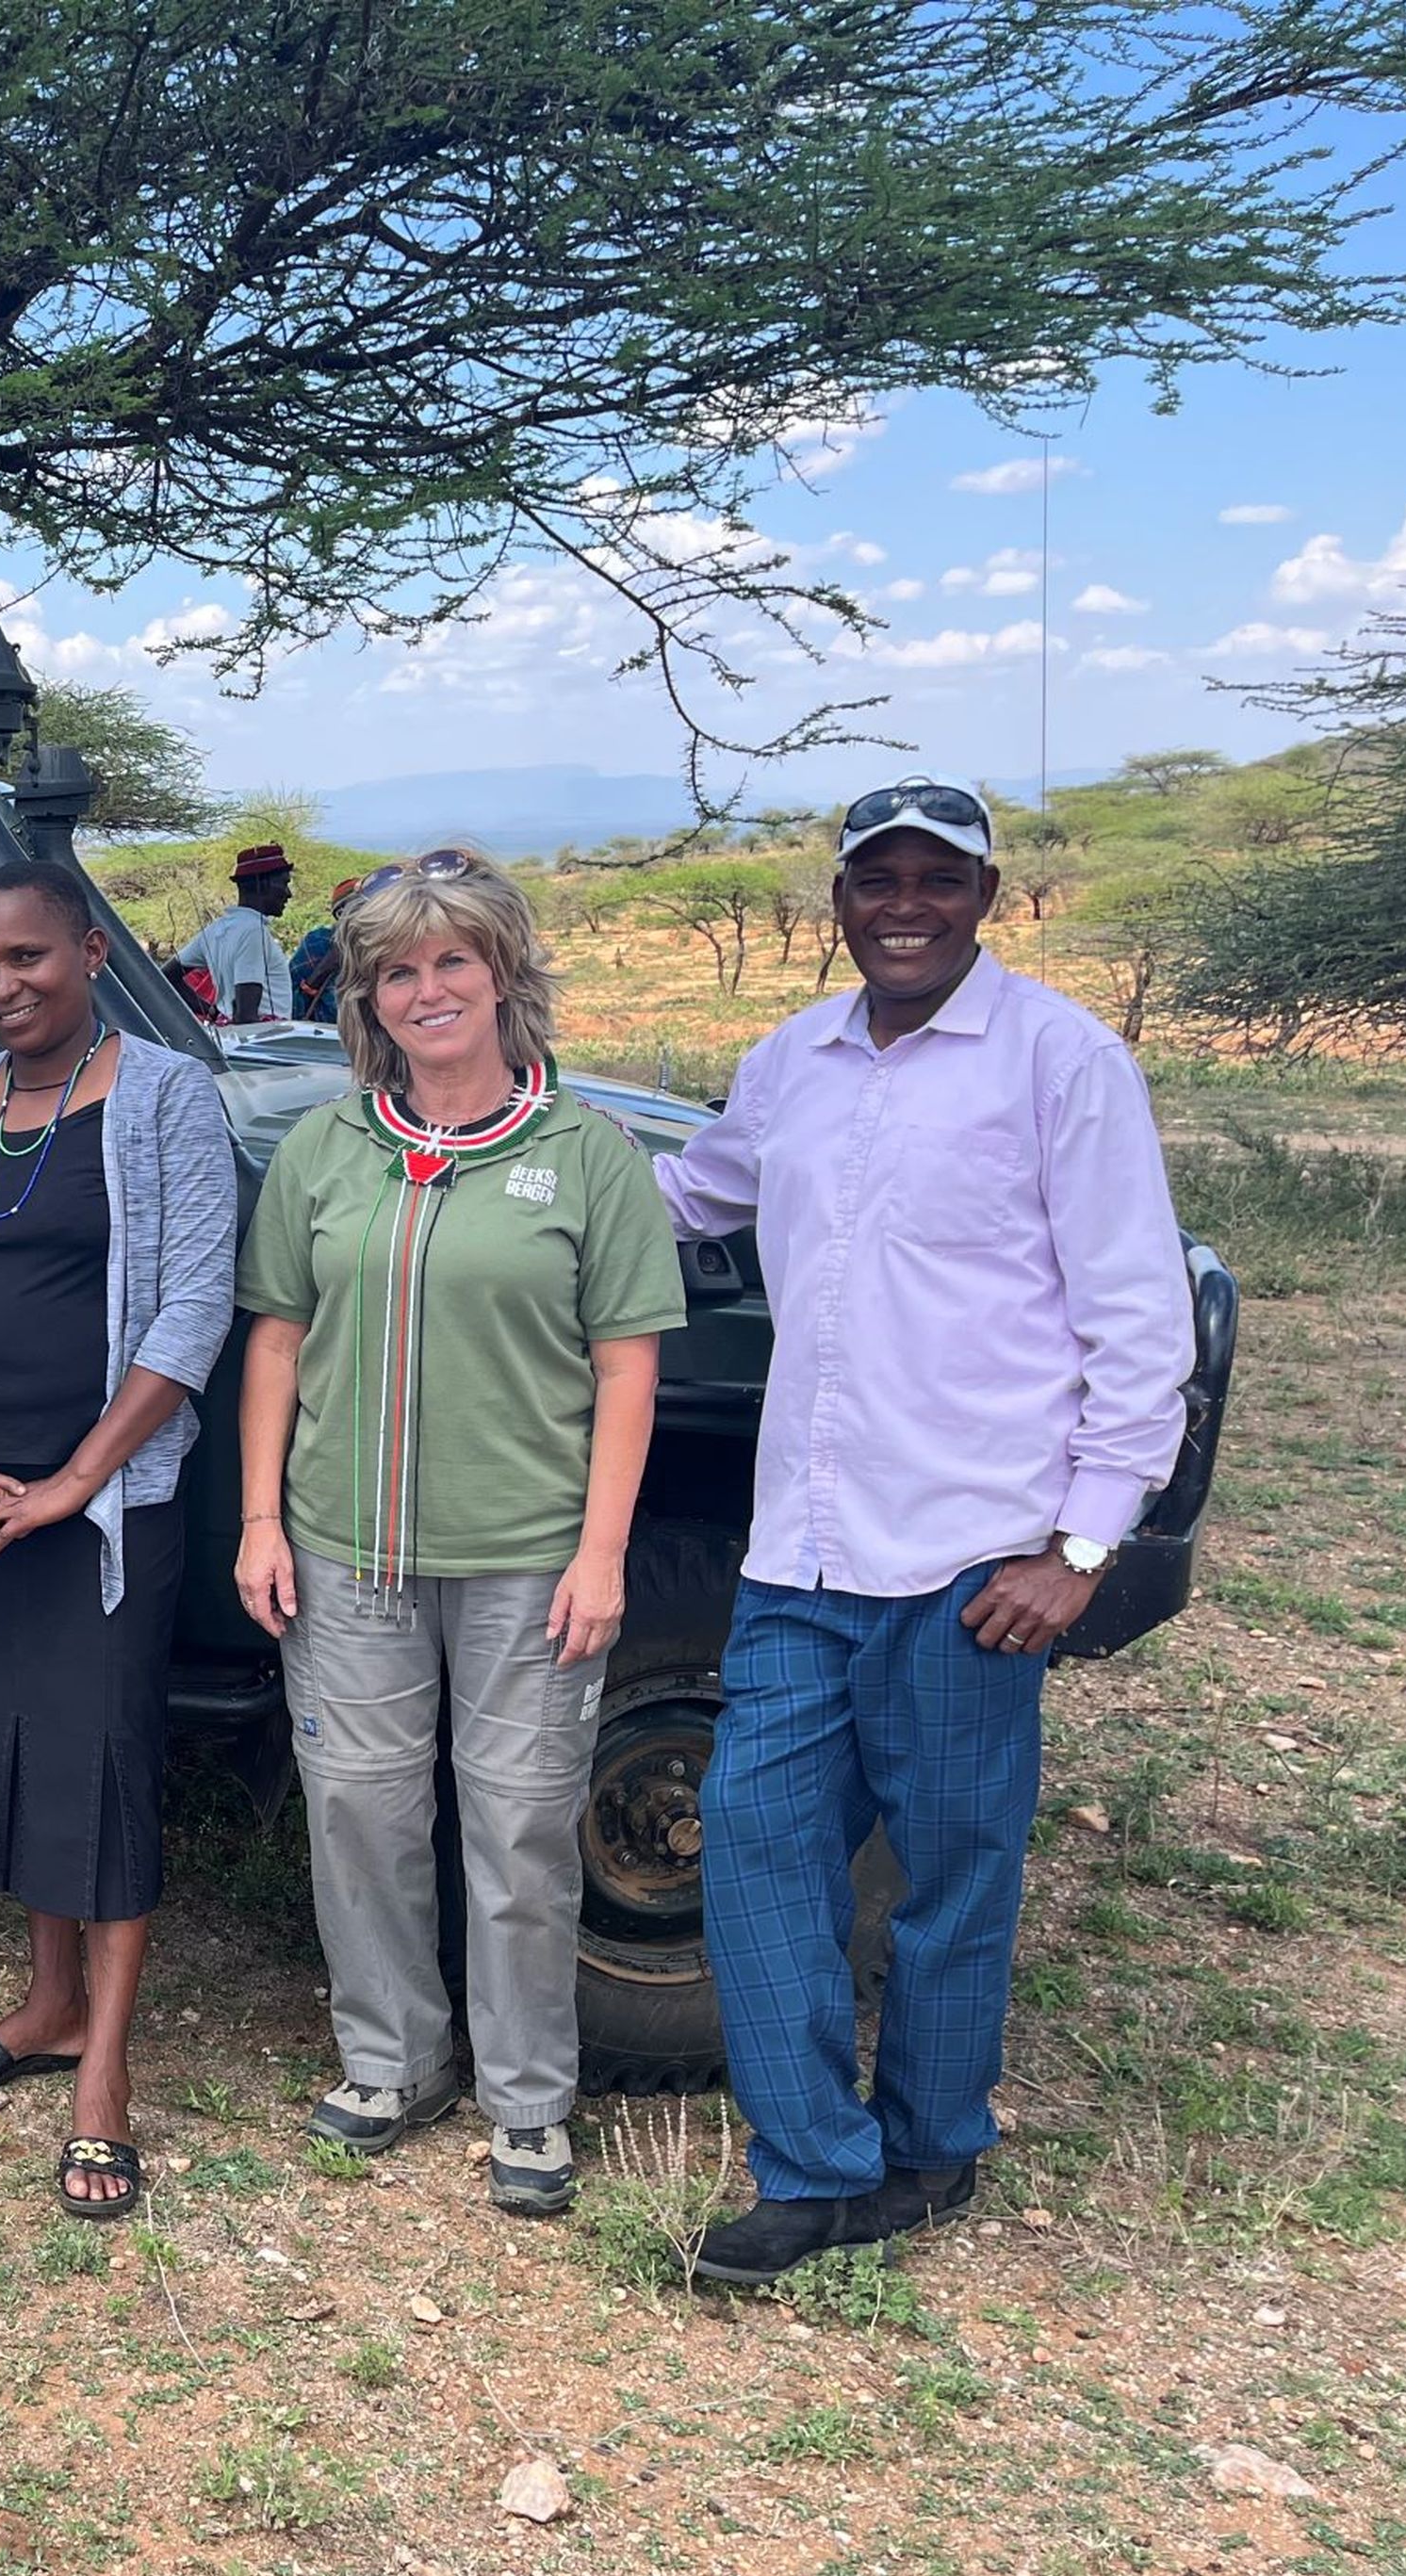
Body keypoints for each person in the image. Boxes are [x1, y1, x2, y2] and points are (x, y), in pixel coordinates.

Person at [654, 777, 1189, 2283]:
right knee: (756, 1848)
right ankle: (816, 2172)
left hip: (973, 1561)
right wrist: (505, 1158)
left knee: (953, 1877)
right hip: (801, 1551)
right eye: (876, 880)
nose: (905, 906)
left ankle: (935, 2148)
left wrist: (1079, 1550)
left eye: (936, 879)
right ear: (838, 900)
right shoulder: (793, 1062)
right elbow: (689, 1195)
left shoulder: (1063, 1063)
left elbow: (1140, 1318)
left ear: (986, 897)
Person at [231, 848, 685, 2217]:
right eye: (396, 972)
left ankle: (529, 2101)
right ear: (367, 998)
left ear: (501, 977)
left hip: (529, 1562)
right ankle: (392, 2062)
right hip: (345, 1555)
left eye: (452, 962)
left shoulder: (585, 1156)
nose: (427, 990)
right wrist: (260, 1519)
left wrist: (601, 1553)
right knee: (358, 1816)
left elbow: (627, 1369)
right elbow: (276, 1342)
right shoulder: (327, 1149)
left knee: (524, 1831)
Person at [0, 861, 237, 2220]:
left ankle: (105, 2075)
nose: (2, 986)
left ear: (91, 952)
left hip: (105, 1503)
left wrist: (76, 1484)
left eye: (27, 957)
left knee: (105, 1758)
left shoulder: (164, 1097)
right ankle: (47, 2004)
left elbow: (194, 1309)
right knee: (22, 1742)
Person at [171, 841, 297, 1022]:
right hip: (264, 1035)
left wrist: (211, 1011)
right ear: (261, 884)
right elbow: (246, 1016)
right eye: (284, 884)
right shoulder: (253, 931)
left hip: (229, 1032)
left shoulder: (216, 930)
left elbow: (164, 976)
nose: (288, 893)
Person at [286, 878, 352, 1024]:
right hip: (327, 1032)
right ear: (341, 913)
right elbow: (290, 1003)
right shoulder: (320, 941)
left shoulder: (387, 945)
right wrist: (321, 972)